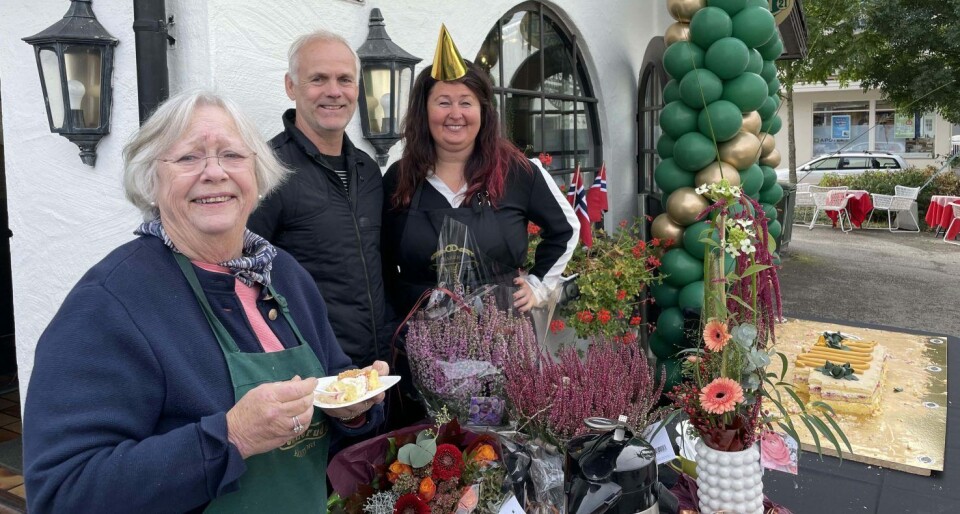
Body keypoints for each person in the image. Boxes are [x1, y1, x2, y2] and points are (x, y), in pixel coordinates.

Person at [22, 91, 386, 513]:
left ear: (257, 173)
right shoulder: (108, 303)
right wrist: (233, 437)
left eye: (232, 155)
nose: (214, 173)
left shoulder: (284, 273)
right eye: (188, 158)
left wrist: (351, 409)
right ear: (151, 181)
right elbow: (62, 492)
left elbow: (331, 385)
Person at [382, 28, 579, 320]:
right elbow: (380, 259)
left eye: (466, 102)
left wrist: (539, 285)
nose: (455, 113)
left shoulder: (519, 172)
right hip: (420, 341)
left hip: (504, 337)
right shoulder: (399, 179)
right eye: (443, 102)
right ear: (424, 112)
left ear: (483, 111)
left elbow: (566, 228)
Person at [248, 30, 389, 368]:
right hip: (310, 371)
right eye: (318, 79)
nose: (334, 91)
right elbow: (241, 278)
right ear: (291, 86)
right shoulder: (267, 170)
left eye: (345, 79)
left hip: (377, 369)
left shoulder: (367, 170)